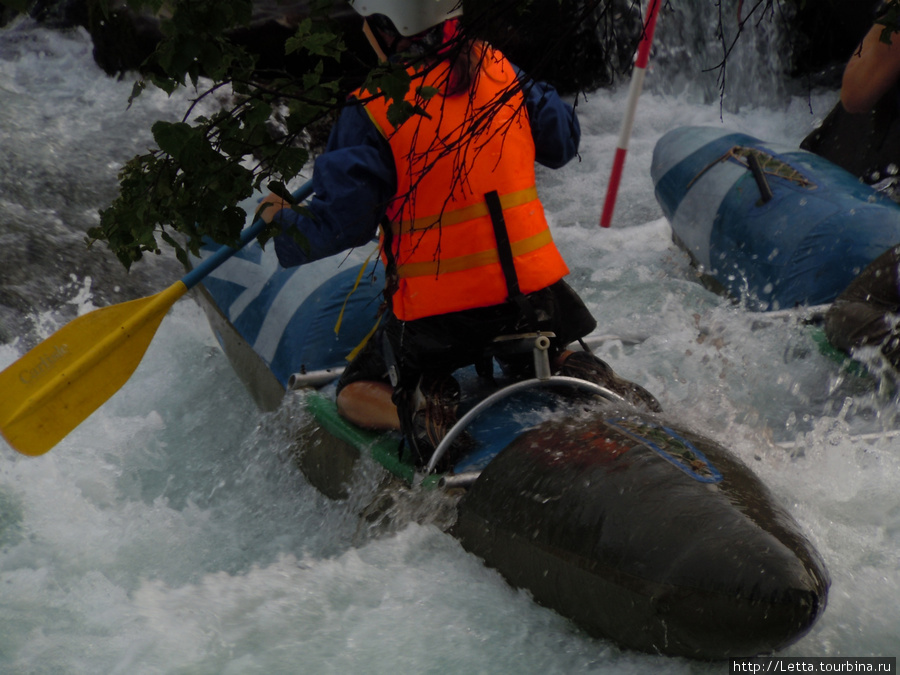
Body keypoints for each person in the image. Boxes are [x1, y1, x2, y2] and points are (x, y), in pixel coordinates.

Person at [258, 0, 660, 466]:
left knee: (351, 391)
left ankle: (416, 406)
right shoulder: (500, 68)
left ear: (383, 29)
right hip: (539, 300)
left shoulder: (371, 109)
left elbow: (340, 227)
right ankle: (571, 364)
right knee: (523, 341)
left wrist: (279, 220)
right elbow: (562, 142)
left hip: (440, 320)